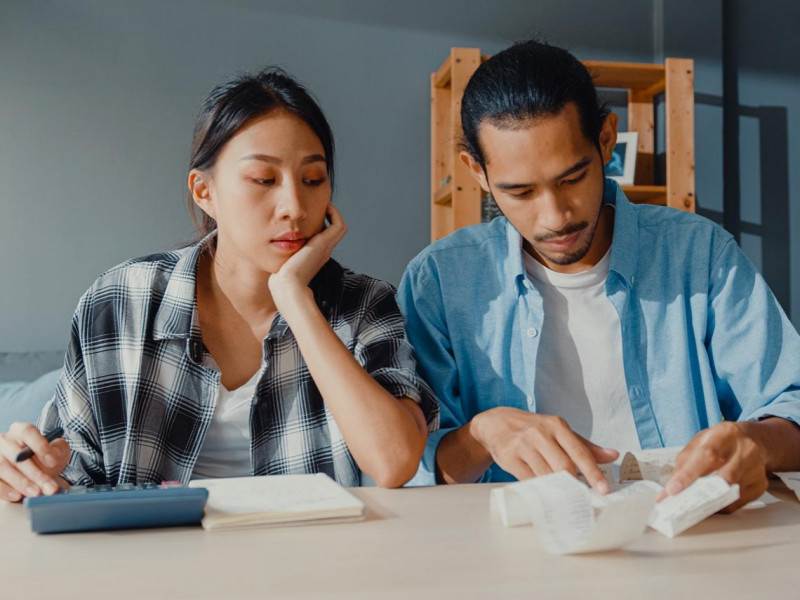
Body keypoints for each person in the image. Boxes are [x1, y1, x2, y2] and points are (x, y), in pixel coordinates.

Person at [0, 67, 438, 502]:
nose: (293, 206)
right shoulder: (121, 300)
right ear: (204, 190)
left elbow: (393, 461)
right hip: (154, 560)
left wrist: (295, 299)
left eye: (313, 180)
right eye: (264, 180)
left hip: (311, 561)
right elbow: (70, 470)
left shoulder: (364, 303)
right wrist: (30, 469)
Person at [398, 40, 800, 511]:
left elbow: (789, 405)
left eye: (572, 179)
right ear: (477, 172)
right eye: (521, 192)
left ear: (606, 140)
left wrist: (757, 443)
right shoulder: (440, 281)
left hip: (691, 547)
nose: (554, 217)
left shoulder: (700, 255)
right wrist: (482, 435)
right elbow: (408, 467)